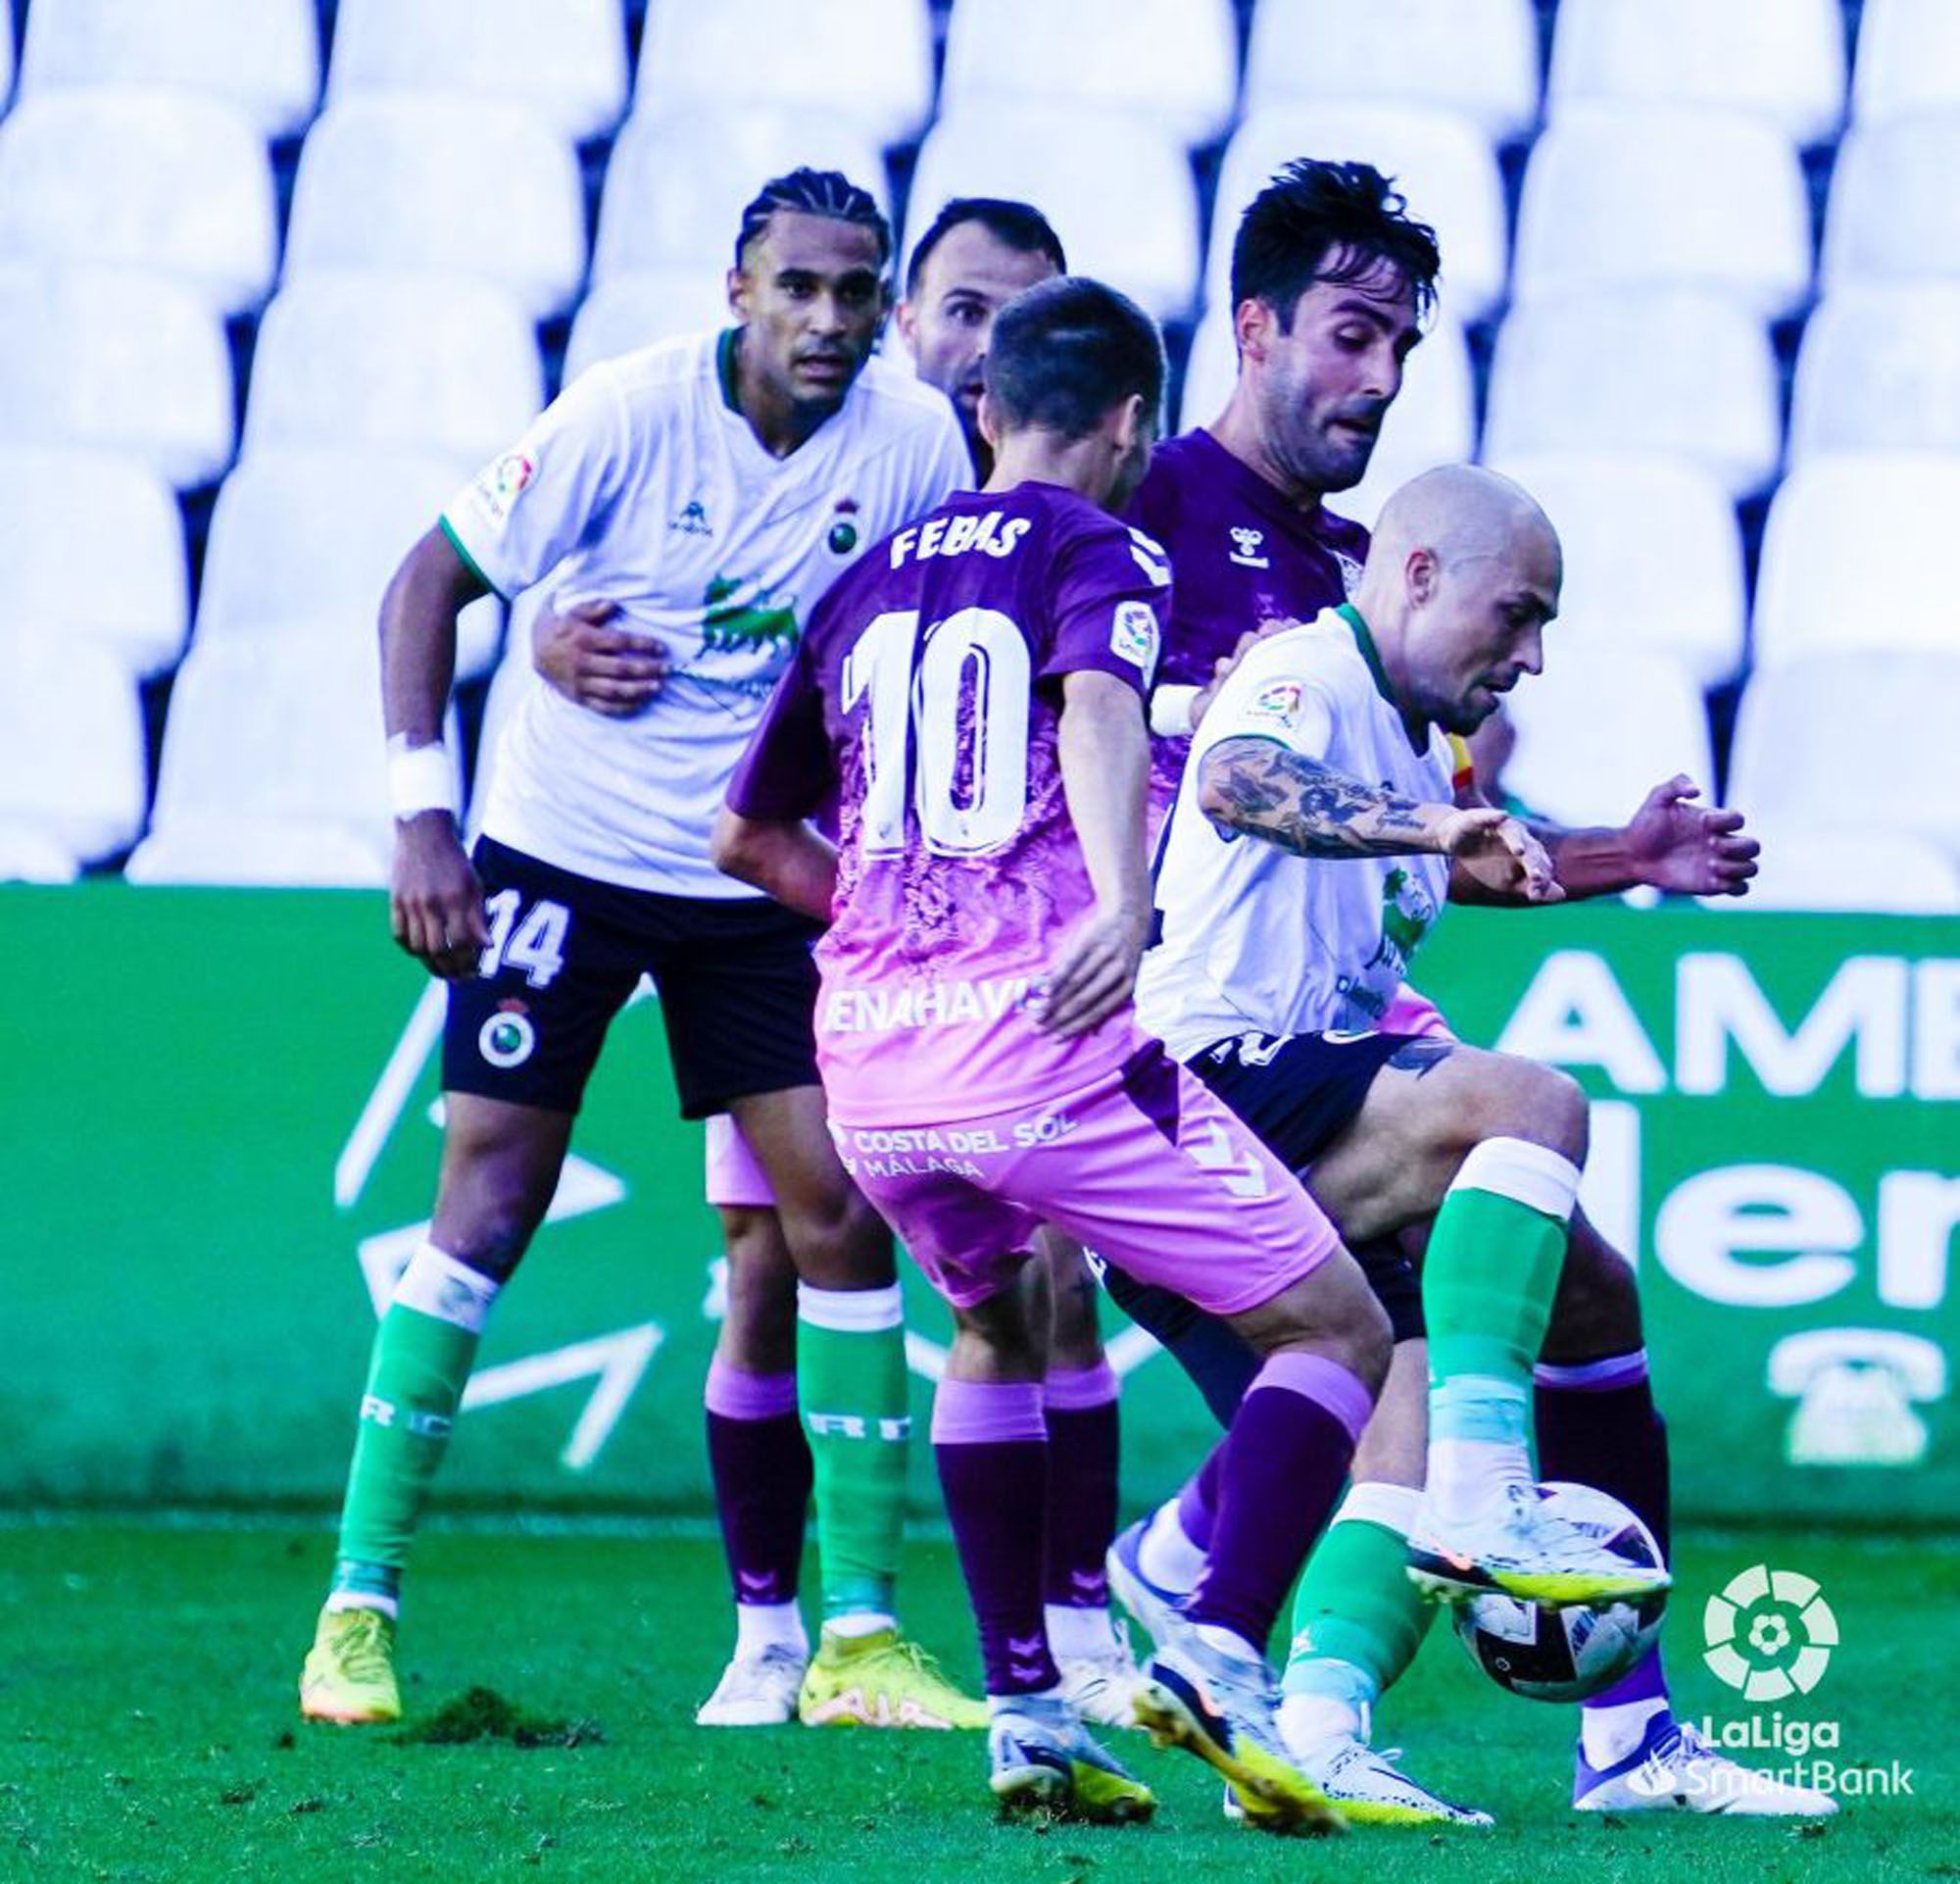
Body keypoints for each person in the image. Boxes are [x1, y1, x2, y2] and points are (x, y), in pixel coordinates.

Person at [299, 169, 984, 1737]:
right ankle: (355, 1605)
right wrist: (425, 818)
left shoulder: (913, 443)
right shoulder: (623, 410)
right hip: (564, 848)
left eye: (857, 290)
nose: (829, 317)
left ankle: (860, 1639)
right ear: (736, 285)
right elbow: (424, 582)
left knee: (839, 1216)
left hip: (757, 873)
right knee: (488, 1197)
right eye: (798, 285)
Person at [713, 274, 1402, 1831]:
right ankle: (1216, 1652)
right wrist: (1123, 902)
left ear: (982, 407)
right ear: (1134, 424)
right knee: (1338, 1332)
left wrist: (897, 929)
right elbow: (1097, 701)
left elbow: (745, 830)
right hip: (1048, 1042)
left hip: (873, 1072)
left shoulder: (869, 577)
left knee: (996, 1330)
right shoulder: (1105, 545)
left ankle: (1028, 1716)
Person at [1119, 462, 1829, 1822]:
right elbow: (1244, 780)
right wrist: (1434, 815)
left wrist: (1626, 855)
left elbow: (1430, 856)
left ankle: (1349, 1727)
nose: (1534, 655)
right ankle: (1489, 1501)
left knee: (1559, 1312)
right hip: (1208, 1088)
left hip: (1268, 1118)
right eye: (1518, 614)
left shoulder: (1401, 736)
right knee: (1532, 1105)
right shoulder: (1306, 670)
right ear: (1418, 574)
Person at [542, 193, 1146, 1727]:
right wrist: (550, 632)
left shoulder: (1001, 490)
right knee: (769, 1264)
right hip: (831, 943)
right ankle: (771, 1635)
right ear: (912, 321)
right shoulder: (881, 452)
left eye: (1011, 321)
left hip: (975, 971)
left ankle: (1054, 1625)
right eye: (957, 310)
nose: (974, 346)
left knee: (1043, 1278)